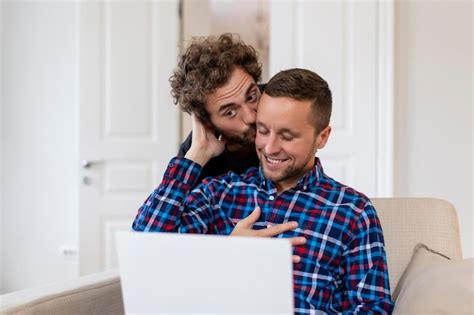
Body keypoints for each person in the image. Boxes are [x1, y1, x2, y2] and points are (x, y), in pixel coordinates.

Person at [133, 68, 395, 314]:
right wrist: (195, 157)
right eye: (263, 130)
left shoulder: (353, 211)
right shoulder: (220, 193)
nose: (269, 148)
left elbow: (372, 307)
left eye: (287, 136)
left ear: (322, 137)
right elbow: (144, 251)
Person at [170, 33, 263, 185]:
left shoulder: (279, 100)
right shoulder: (197, 149)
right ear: (208, 122)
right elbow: (162, 208)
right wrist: (197, 158)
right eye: (230, 112)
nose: (251, 117)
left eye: (251, 97)